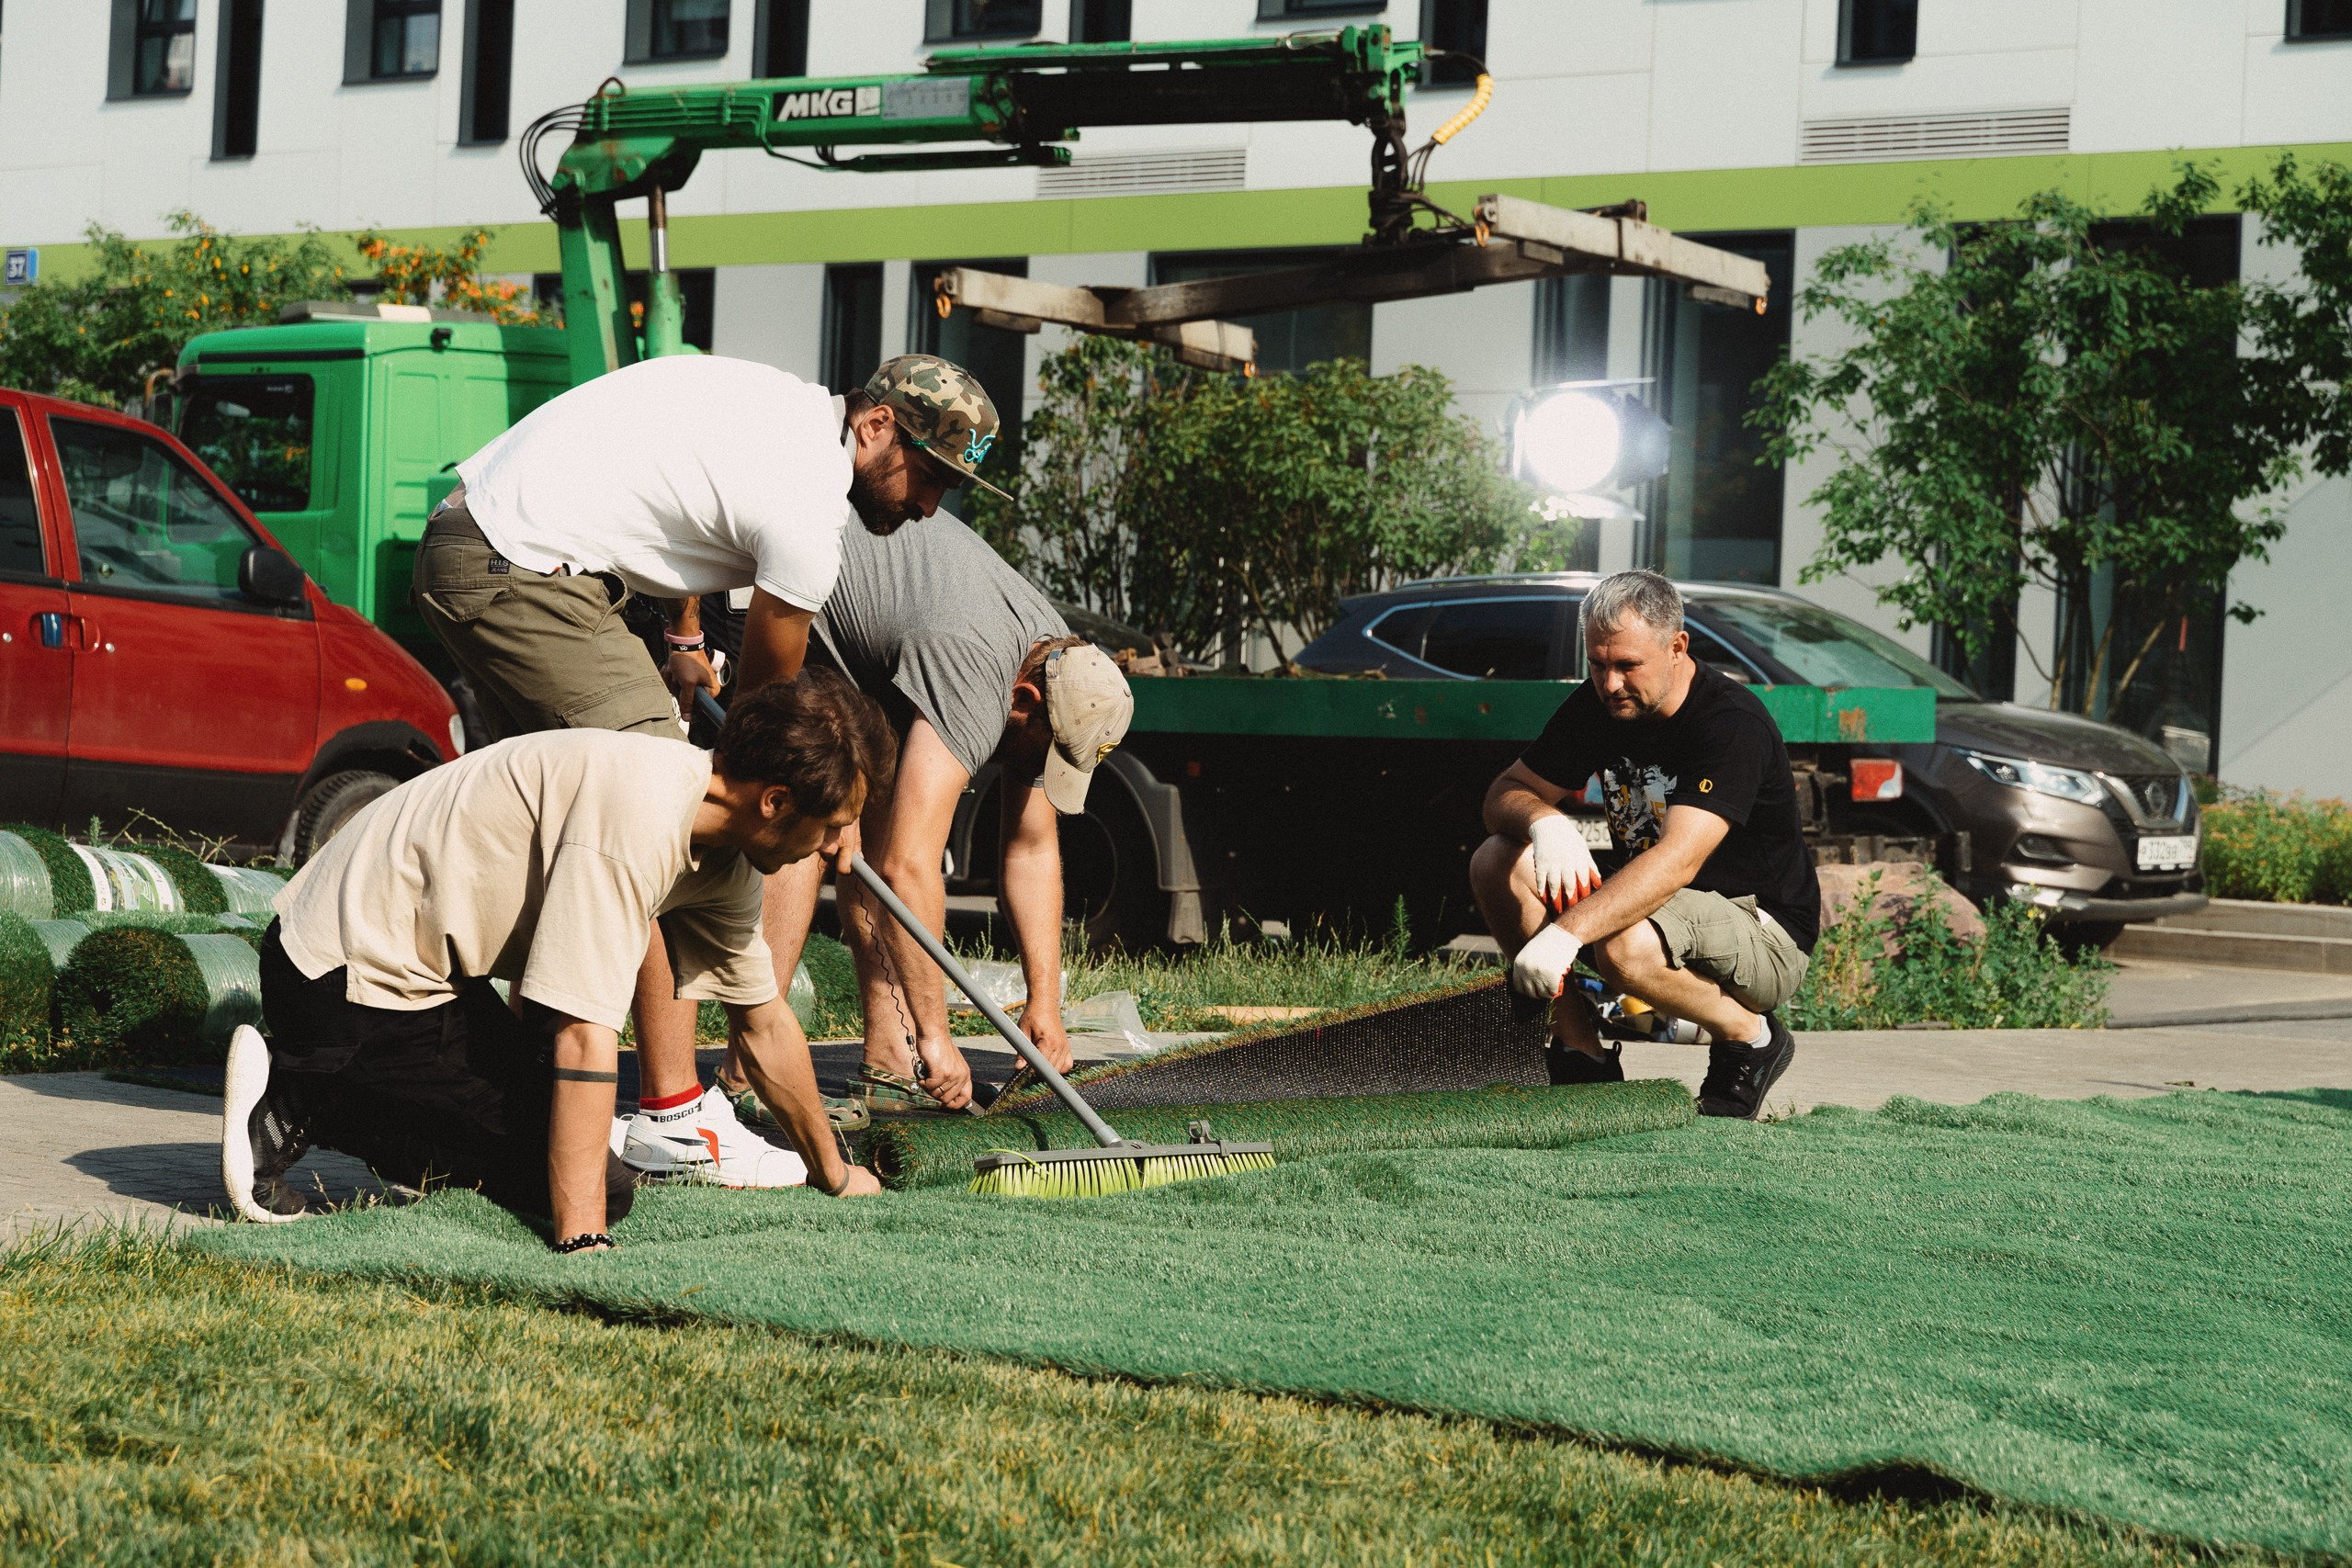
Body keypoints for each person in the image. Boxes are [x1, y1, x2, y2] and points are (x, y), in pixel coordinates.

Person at [409, 352, 1002, 1176]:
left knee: (556, 838)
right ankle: (674, 1116)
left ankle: (506, 1087)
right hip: (523, 568)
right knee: (671, 815)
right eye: (927, 476)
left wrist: (686, 640)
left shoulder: (779, 413)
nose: (931, 506)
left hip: (483, 544)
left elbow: (676, 501)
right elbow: (763, 745)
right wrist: (816, 812)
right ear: (875, 427)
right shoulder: (807, 510)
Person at [220, 672, 896, 1249]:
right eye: (834, 824)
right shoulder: (642, 814)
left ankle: (389, 1104)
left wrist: (832, 1173)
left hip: (425, 982)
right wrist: (584, 1238)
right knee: (582, 1186)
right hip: (340, 971)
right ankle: (296, 1090)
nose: (840, 849)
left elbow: (765, 1025)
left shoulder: (726, 855)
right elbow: (583, 1032)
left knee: (567, 1160)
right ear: (775, 801)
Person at [674, 513, 1134, 1115]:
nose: (1045, 771)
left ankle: (890, 1061)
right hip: (772, 590)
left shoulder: (1058, 662)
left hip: (873, 642)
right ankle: (749, 1069)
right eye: (1049, 753)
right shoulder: (979, 669)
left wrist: (1043, 1003)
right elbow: (907, 867)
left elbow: (1031, 846)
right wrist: (937, 1035)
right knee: (806, 816)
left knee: (885, 811)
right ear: (1024, 704)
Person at [1468, 570, 1819, 1120]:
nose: (1610, 683)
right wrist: (1546, 822)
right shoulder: (1603, 704)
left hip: (1760, 931)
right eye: (1598, 663)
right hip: (1661, 912)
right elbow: (1504, 795)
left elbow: (1678, 860)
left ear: (1677, 647)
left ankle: (1748, 1037)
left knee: (1623, 943)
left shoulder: (1730, 722)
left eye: (1627, 665)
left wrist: (1566, 934)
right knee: (1497, 860)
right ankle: (1579, 1052)